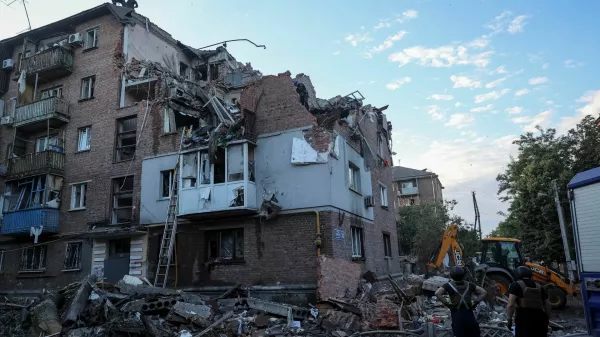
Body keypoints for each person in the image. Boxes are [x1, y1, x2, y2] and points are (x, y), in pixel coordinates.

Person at [435, 266, 487, 337]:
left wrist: (447, 304)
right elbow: (483, 292)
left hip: (457, 314)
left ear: (451, 275)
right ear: (463, 275)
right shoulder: (469, 285)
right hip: (469, 313)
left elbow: (437, 293)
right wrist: (476, 303)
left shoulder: (448, 285)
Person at [506, 266, 551, 337]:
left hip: (524, 320)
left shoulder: (515, 285)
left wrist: (509, 320)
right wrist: (547, 319)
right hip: (540, 320)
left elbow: (510, 305)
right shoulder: (539, 286)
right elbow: (547, 305)